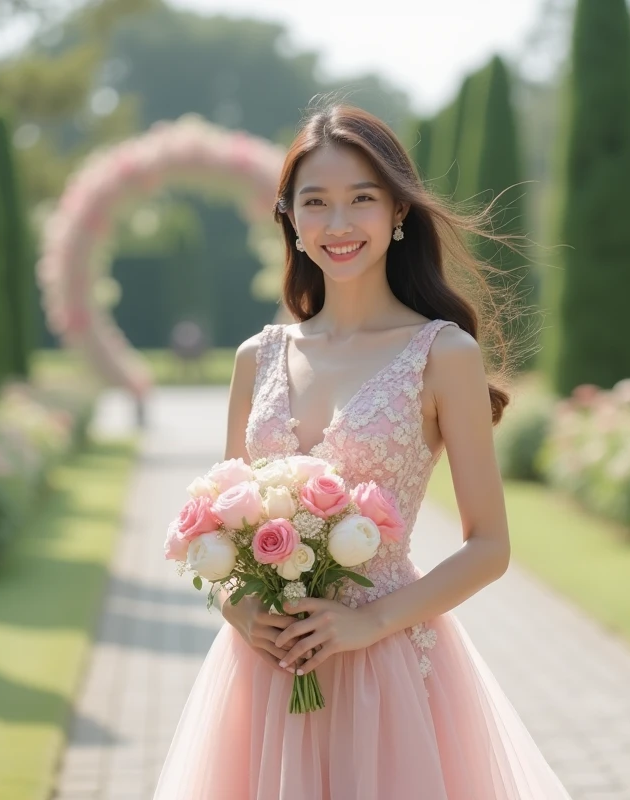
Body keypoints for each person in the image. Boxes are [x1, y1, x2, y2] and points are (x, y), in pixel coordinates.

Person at [153, 103, 570, 799]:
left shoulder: (443, 354)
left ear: (398, 212)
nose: (338, 224)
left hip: (388, 674)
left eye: (362, 200)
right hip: (262, 674)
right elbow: (221, 530)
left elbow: (489, 546)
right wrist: (242, 609)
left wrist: (365, 623)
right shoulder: (257, 359)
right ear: (288, 215)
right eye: (316, 202)